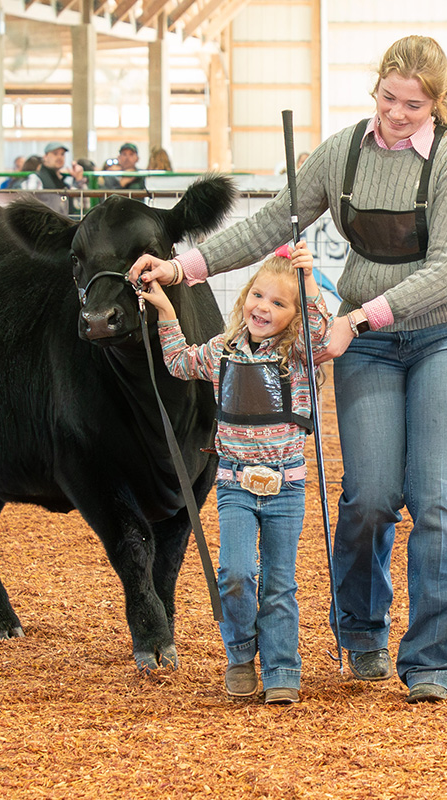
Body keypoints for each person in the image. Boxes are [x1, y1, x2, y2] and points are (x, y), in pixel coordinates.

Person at [130, 35, 447, 704]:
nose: (398, 113)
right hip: (368, 344)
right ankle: (360, 630)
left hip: (443, 334)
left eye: (414, 104)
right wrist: (183, 268)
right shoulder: (344, 152)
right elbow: (268, 225)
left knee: (435, 494)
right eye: (389, 98)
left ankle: (434, 660)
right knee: (371, 496)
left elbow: (445, 270)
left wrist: (355, 318)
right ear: (374, 88)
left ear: (436, 104)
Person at [139, 241, 332, 706]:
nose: (263, 307)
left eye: (279, 303)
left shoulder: (300, 355)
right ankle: (241, 655)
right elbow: (179, 361)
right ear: (246, 294)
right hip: (236, 485)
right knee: (236, 574)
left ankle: (283, 667)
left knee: (281, 582)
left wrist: (308, 285)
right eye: (258, 296)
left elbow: (323, 335)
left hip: (286, 485)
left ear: (293, 314)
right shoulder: (223, 351)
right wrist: (165, 308)